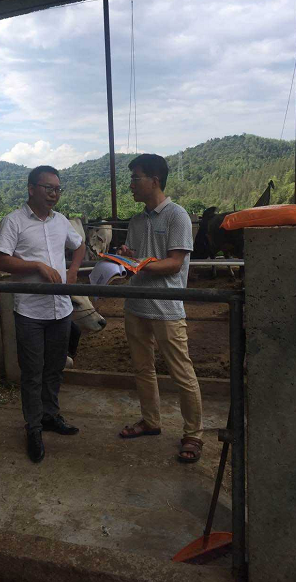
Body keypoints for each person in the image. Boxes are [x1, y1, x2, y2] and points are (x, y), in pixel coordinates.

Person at [0, 165, 86, 464]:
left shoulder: (61, 221)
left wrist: (73, 270)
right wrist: (36, 266)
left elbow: (80, 245)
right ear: (31, 188)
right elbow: (0, 259)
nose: (54, 194)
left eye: (57, 189)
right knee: (32, 373)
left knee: (55, 368)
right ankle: (33, 427)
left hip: (61, 308)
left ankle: (50, 415)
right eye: (48, 188)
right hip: (31, 311)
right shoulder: (14, 221)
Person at [118, 154, 203, 463]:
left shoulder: (177, 216)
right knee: (143, 368)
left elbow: (174, 263)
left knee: (181, 372)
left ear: (154, 181)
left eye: (135, 178)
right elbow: (135, 261)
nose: (131, 185)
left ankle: (193, 434)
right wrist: (125, 257)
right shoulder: (136, 221)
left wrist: (141, 263)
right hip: (136, 304)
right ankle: (151, 421)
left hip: (166, 307)